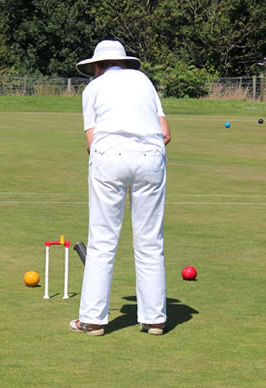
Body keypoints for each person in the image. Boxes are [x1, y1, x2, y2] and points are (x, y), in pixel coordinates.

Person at [69, 40, 171, 337]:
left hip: (109, 157)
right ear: (124, 62)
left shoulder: (93, 89)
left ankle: (92, 320)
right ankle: (154, 320)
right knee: (150, 240)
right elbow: (165, 133)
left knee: (101, 240)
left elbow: (91, 143)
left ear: (97, 66)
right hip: (151, 157)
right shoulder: (143, 80)